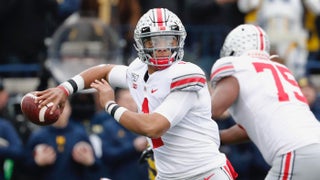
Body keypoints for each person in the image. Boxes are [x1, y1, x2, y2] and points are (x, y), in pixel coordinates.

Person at [35, 8, 237, 180]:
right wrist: (65, 88)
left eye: (169, 40)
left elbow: (153, 127)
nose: (163, 48)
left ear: (179, 40)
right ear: (142, 44)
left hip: (205, 174)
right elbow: (104, 69)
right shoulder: (138, 72)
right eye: (154, 42)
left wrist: (110, 105)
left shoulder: (186, 75)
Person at [209, 24, 320, 179]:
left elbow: (212, 110)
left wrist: (183, 124)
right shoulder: (282, 70)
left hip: (296, 153)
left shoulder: (237, 66)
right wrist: (215, 137)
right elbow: (250, 127)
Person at [23, 100, 103, 180]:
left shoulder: (80, 134)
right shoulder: (38, 136)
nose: (59, 111)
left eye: (62, 107)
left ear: (70, 109)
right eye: (53, 107)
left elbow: (98, 166)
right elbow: (23, 168)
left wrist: (90, 161)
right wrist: (37, 162)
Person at [100, 88, 149, 180]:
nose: (131, 104)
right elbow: (107, 155)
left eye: (133, 100)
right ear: (117, 102)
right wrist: (133, 146)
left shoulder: (145, 124)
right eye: (127, 100)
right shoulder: (109, 127)